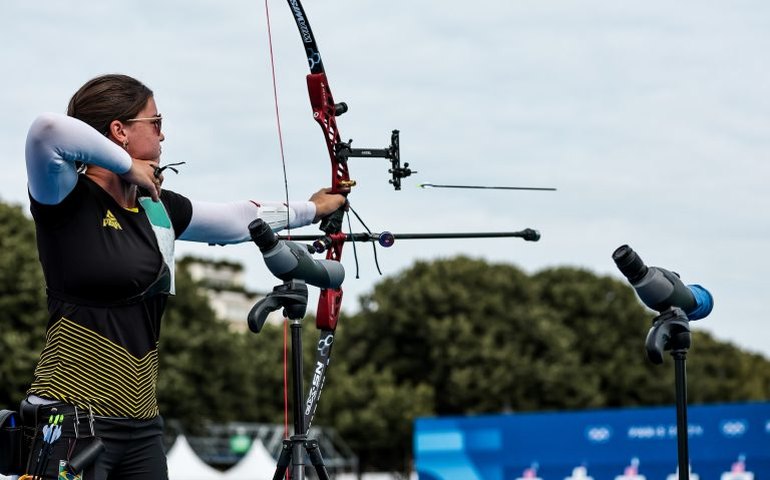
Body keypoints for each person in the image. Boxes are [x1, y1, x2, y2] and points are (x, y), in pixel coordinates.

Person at [20, 73, 346, 479]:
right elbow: (46, 131)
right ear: (119, 131)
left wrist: (313, 208)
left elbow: (238, 219)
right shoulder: (66, 195)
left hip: (141, 428)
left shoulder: (158, 209)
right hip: (72, 419)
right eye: (155, 124)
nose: (162, 137)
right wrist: (127, 166)